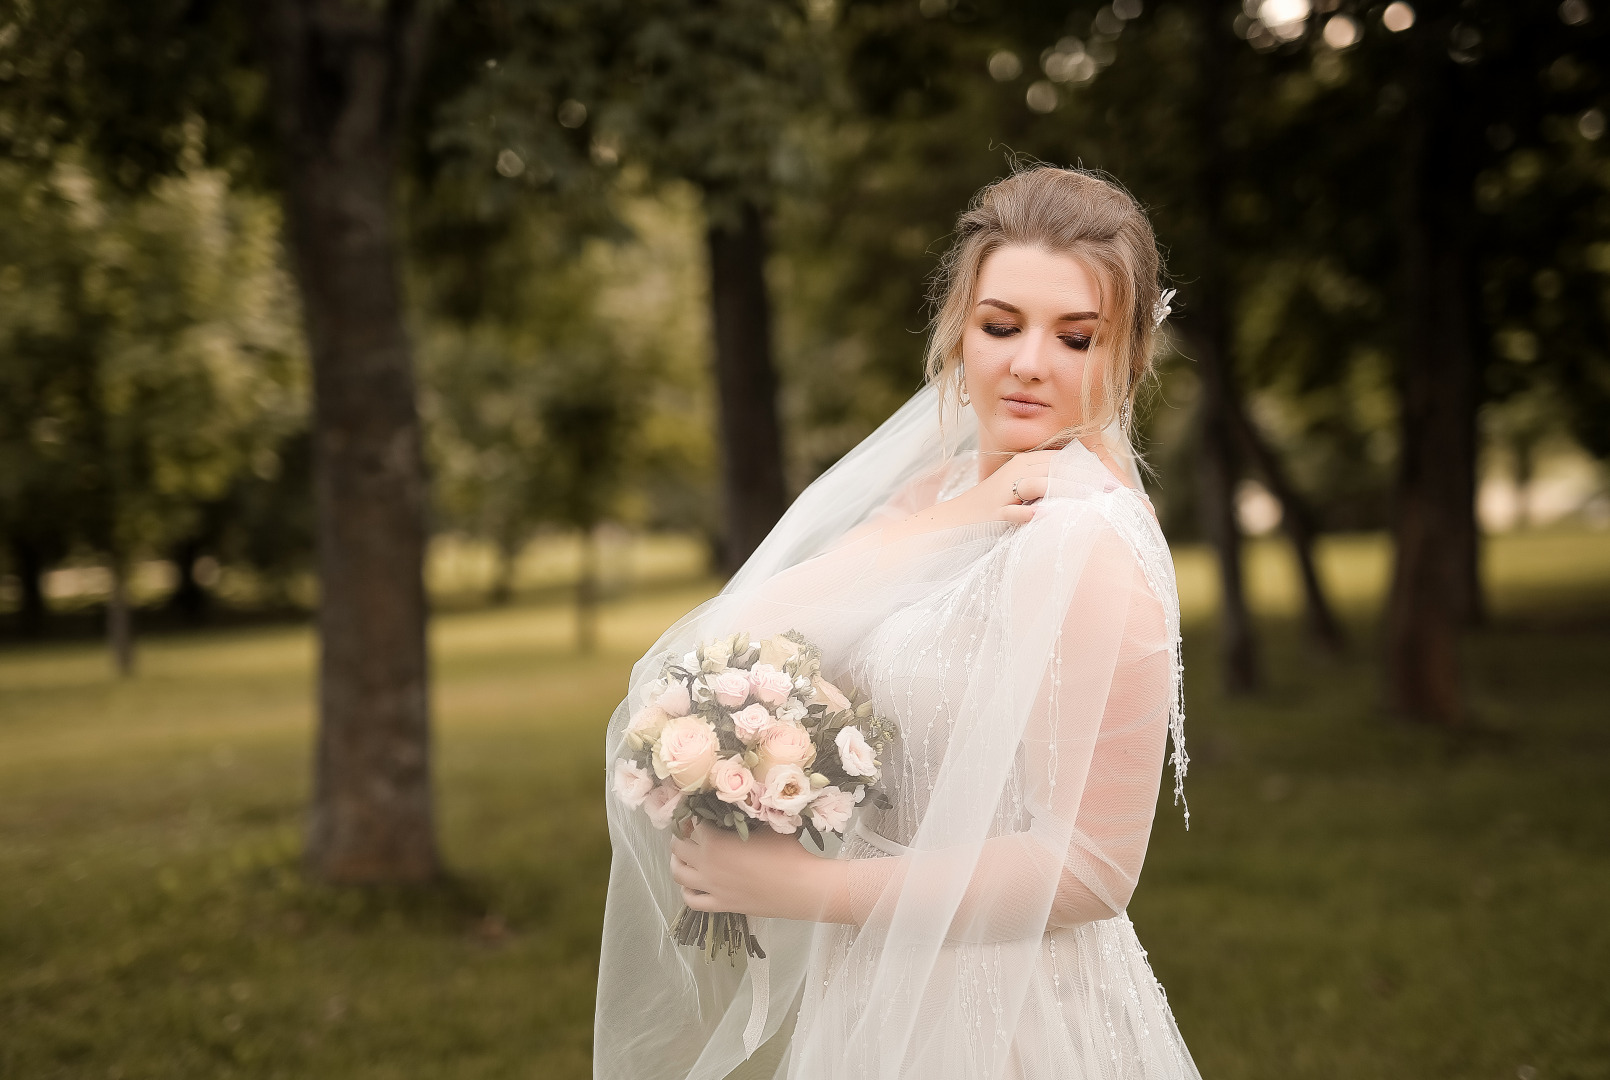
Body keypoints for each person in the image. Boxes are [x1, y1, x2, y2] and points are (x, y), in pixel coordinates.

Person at [594, 165, 1200, 1080]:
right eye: (1001, 326)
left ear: (1129, 356)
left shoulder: (1094, 540)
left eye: (1076, 338)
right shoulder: (937, 492)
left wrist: (815, 889)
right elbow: (721, 640)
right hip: (875, 993)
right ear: (957, 326)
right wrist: (960, 517)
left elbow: (1090, 870)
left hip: (1007, 1012)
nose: (1029, 362)